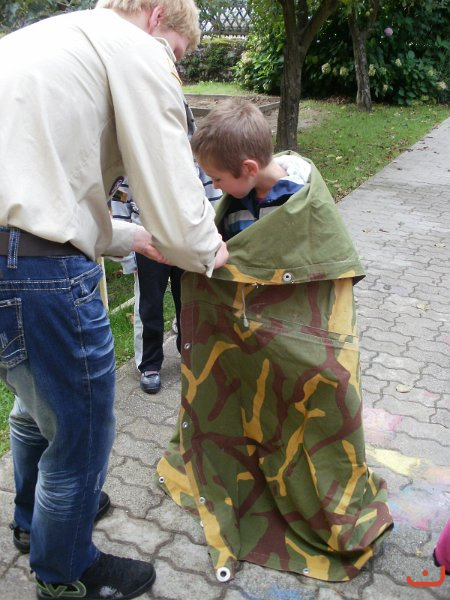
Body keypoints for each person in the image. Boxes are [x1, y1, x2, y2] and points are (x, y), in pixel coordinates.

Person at [0, 0, 228, 598]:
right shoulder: (136, 48)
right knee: (82, 429)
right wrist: (208, 247)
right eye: (177, 52)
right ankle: (64, 572)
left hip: (14, 260)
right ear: (157, 16)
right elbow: (170, 178)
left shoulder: (46, 39)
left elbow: (43, 190)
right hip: (41, 272)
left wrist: (130, 237)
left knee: (34, 405)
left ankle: (34, 521)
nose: (173, 65)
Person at [156, 98, 393, 583]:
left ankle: (316, 493)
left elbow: (321, 267)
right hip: (251, 334)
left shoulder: (302, 202)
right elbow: (233, 260)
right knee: (248, 399)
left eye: (217, 180)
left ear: (248, 168)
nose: (214, 189)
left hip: (302, 332)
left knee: (325, 393)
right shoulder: (236, 202)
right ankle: (256, 470)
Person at [110, 104, 222, 395]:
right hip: (148, 243)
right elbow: (120, 204)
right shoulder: (134, 158)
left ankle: (191, 352)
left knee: (189, 300)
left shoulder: (194, 157)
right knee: (149, 305)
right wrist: (128, 256)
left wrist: (211, 241)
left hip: (187, 242)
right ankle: (149, 363)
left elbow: (213, 196)